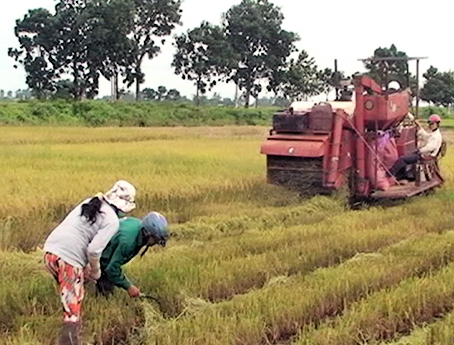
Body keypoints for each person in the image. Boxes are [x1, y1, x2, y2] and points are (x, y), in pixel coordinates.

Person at [43, 180, 137, 345]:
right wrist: (96, 271)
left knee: (72, 295)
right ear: (123, 206)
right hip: (68, 260)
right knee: (73, 312)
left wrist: (86, 268)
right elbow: (94, 250)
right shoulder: (112, 221)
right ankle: (69, 341)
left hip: (50, 252)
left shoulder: (90, 202)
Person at [95, 211, 169, 298]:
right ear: (147, 233)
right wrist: (128, 286)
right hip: (93, 251)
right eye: (156, 239)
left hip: (101, 245)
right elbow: (111, 269)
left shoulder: (137, 225)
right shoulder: (128, 243)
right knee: (105, 293)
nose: (156, 243)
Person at [387, 114, 443, 182]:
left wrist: (419, 150)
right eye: (429, 123)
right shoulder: (434, 134)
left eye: (432, 124)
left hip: (425, 156)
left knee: (402, 159)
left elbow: (430, 147)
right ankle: (402, 176)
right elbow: (426, 136)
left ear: (437, 124)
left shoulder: (436, 136)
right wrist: (419, 126)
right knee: (406, 156)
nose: (430, 125)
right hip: (424, 154)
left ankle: (389, 174)